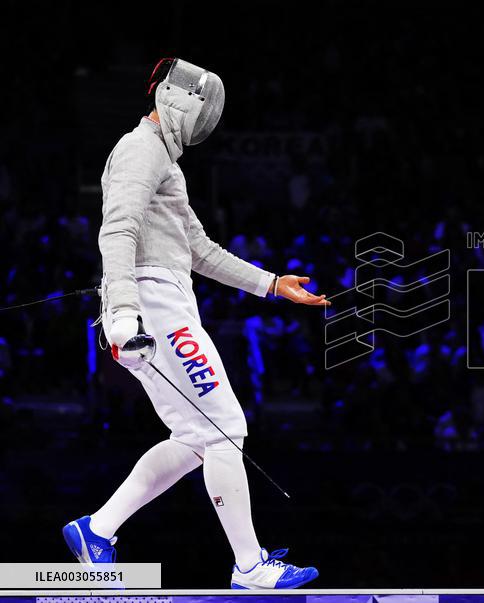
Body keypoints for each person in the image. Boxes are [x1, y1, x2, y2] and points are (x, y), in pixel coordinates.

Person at [62, 58, 326, 589]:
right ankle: (249, 566)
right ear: (176, 97)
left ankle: (98, 529)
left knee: (196, 434)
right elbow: (118, 230)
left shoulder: (164, 161)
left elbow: (200, 250)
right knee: (226, 429)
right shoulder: (140, 149)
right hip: (151, 306)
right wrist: (122, 311)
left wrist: (272, 283)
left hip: (166, 301)